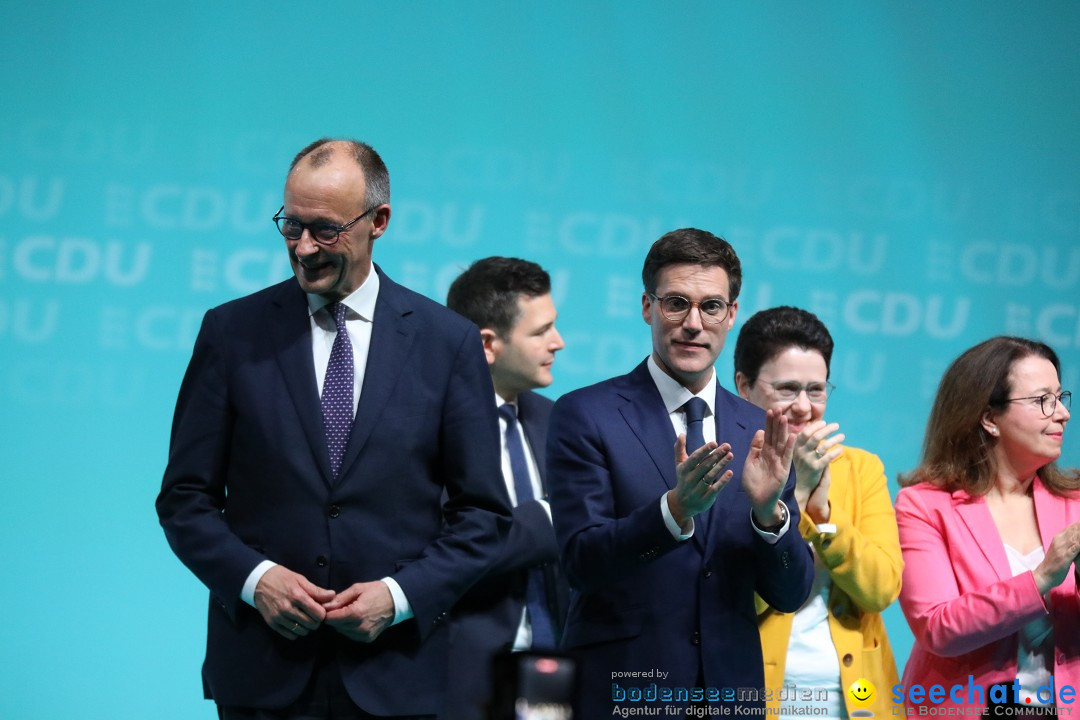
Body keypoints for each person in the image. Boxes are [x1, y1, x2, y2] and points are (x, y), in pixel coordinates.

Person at [156, 138, 511, 719]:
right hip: (261, 677)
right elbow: (184, 500)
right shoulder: (231, 333)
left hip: (395, 677)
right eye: (290, 226)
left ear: (379, 221)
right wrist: (256, 579)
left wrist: (398, 598)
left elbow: (483, 517)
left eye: (324, 230)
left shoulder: (446, 343)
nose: (302, 248)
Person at [546, 228, 815, 717]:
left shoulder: (759, 429)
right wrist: (674, 511)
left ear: (732, 315)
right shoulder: (586, 414)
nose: (694, 323)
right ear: (647, 307)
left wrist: (768, 515)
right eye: (676, 303)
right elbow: (581, 563)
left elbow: (789, 593)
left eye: (711, 306)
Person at [732, 306, 903, 719]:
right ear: (744, 386)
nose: (805, 406)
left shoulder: (861, 468)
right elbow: (739, 602)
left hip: (855, 700)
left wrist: (823, 513)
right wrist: (799, 491)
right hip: (756, 696)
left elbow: (881, 589)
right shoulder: (724, 470)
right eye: (787, 389)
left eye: (817, 389)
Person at [895, 336, 1079, 715]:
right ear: (990, 419)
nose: (1062, 413)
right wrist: (1042, 576)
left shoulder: (1074, 502)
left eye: (1061, 397)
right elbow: (937, 628)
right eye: (1043, 400)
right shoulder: (925, 506)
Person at [442, 256, 570, 720]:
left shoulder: (559, 422)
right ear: (487, 344)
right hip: (462, 681)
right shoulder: (430, 428)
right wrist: (559, 514)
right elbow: (458, 544)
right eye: (540, 332)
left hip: (555, 674)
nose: (558, 343)